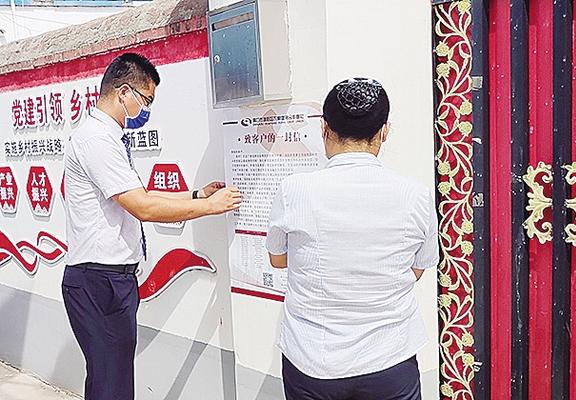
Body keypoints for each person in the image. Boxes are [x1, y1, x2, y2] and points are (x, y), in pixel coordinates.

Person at [62, 52, 241, 400]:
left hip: (109, 280)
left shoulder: (109, 137)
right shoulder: (96, 140)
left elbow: (140, 194)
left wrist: (196, 194)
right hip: (98, 281)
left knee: (108, 380)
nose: (146, 110)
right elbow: (142, 207)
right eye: (146, 100)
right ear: (123, 93)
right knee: (111, 385)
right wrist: (208, 207)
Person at [266, 78, 439, 400]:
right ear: (384, 131)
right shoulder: (416, 195)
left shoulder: (294, 190)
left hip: (312, 359)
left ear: (324, 128)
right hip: (390, 358)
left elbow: (277, 260)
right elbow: (417, 269)